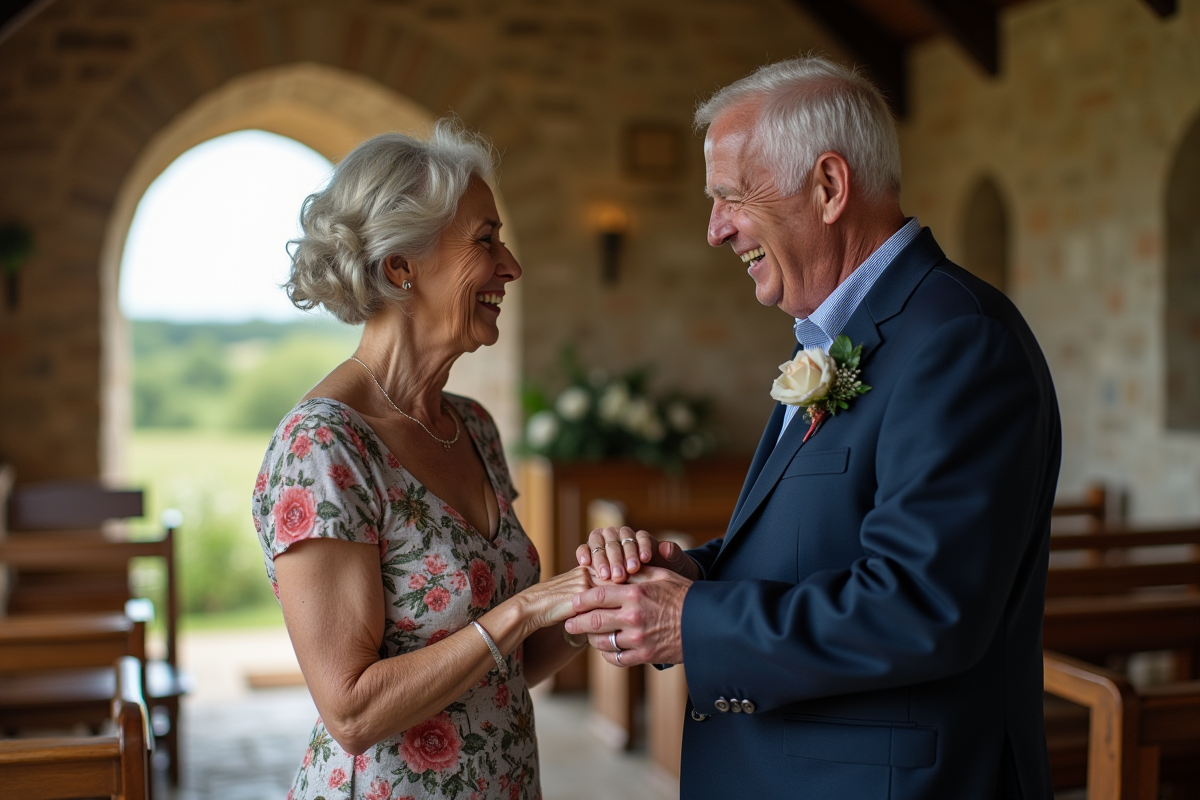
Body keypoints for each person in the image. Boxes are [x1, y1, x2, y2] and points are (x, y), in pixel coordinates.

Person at [570, 57, 1061, 799]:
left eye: (730, 197)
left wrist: (694, 622)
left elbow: (924, 605)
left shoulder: (959, 339)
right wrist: (696, 574)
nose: (714, 231)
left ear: (828, 187)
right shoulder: (834, 338)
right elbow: (824, 543)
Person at [251, 119, 592, 800]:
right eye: (486, 240)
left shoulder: (474, 426)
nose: (511, 266)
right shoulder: (323, 446)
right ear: (399, 266)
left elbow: (505, 668)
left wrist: (594, 598)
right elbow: (351, 711)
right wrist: (524, 611)